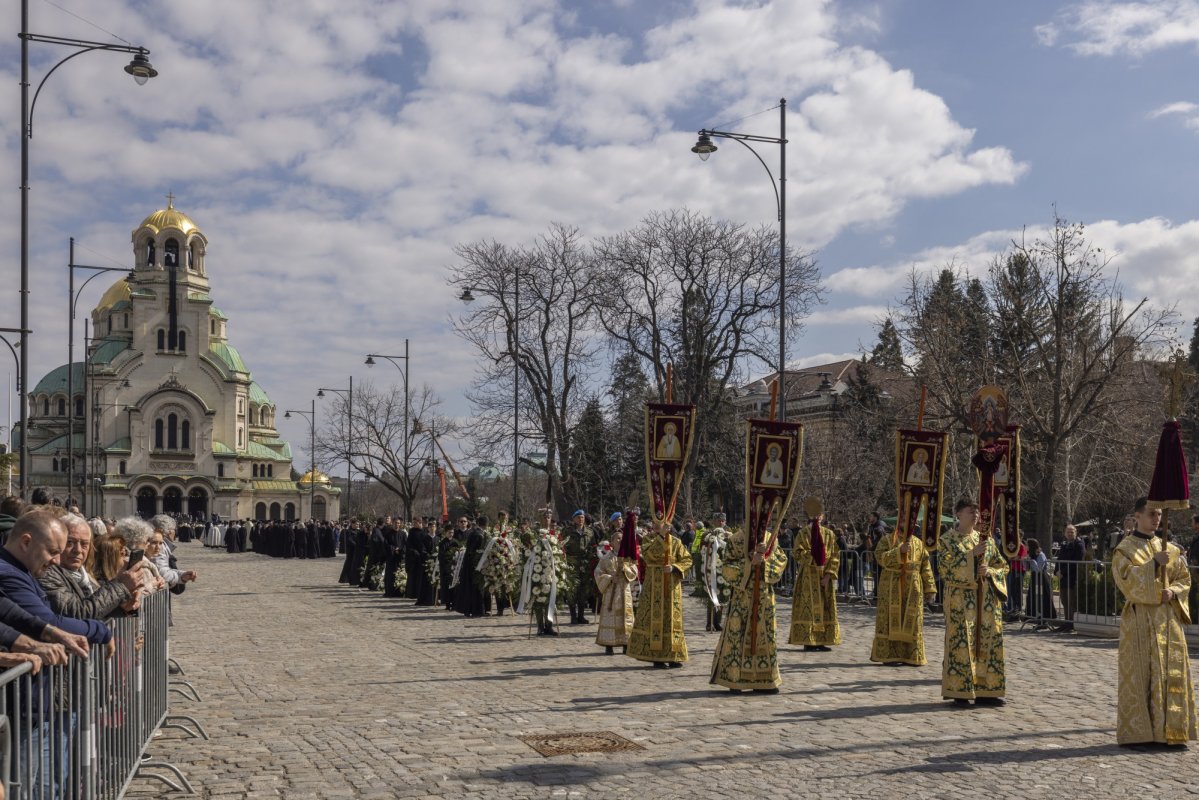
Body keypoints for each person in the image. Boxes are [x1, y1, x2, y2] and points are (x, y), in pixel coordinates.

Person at [1112, 498, 1198, 746]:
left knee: (1171, 674)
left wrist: (1174, 592)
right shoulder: (1125, 549)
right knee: (1145, 674)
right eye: (1151, 514)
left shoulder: (1171, 549)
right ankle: (1141, 734)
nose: (1156, 519)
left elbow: (1184, 579)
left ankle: (1173, 733)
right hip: (1141, 620)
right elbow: (1125, 580)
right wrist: (1152, 565)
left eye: (1159, 514)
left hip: (1168, 619)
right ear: (1137, 516)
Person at [938, 499, 1009, 706]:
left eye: (977, 513)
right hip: (961, 601)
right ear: (958, 514)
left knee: (988, 642)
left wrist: (991, 572)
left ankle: (988, 690)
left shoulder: (985, 540)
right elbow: (945, 569)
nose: (975, 516)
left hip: (986, 602)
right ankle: (960, 691)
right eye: (971, 512)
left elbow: (1002, 566)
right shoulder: (947, 540)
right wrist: (971, 556)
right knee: (962, 642)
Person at [710, 526, 788, 692]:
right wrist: (749, 563)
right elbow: (727, 567)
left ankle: (765, 678)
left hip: (764, 596)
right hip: (742, 597)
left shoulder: (770, 538)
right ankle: (735, 677)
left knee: (765, 635)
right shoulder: (736, 539)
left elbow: (781, 559)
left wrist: (765, 560)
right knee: (738, 634)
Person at [39, 514, 142, 620]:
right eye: (70, 542)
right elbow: (77, 613)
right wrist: (121, 586)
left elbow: (95, 607)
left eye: (84, 544)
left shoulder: (85, 573)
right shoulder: (47, 572)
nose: (78, 550)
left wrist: (123, 606)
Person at [627, 520, 692, 668]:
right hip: (654, 586)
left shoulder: (676, 541)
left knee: (671, 619)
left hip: (671, 586)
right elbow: (649, 556)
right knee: (655, 619)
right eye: (655, 523)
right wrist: (662, 537)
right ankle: (657, 656)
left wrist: (675, 567)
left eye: (661, 523)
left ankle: (673, 655)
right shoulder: (648, 539)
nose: (657, 526)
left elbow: (687, 559)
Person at [870, 527, 936, 666]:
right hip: (891, 586)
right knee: (891, 619)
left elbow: (926, 566)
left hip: (913, 587)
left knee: (912, 620)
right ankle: (890, 655)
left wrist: (930, 587)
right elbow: (880, 558)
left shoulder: (918, 543)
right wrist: (898, 552)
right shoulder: (887, 540)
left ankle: (911, 655)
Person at [788, 512, 840, 652]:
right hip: (808, 578)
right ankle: (808, 640)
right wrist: (812, 554)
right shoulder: (803, 533)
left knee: (824, 608)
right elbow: (796, 553)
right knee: (809, 608)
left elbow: (835, 555)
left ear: (822, 516)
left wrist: (828, 575)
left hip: (824, 577)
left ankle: (822, 640)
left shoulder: (829, 534)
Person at [594, 536, 638, 654]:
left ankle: (626, 643)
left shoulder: (628, 558)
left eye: (621, 538)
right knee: (611, 616)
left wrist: (625, 569)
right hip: (611, 591)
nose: (619, 540)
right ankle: (609, 644)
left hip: (624, 590)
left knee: (625, 616)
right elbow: (598, 572)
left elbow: (634, 571)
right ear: (612, 542)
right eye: (617, 538)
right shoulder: (606, 558)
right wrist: (609, 578)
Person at [563, 511, 596, 624]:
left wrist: (590, 558)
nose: (581, 519)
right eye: (578, 517)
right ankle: (573, 616)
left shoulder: (590, 532)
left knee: (584, 590)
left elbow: (593, 547)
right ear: (573, 519)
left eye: (582, 517)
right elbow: (562, 546)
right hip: (572, 563)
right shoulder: (567, 531)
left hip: (585, 564)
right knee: (572, 590)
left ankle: (581, 616)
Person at [698, 514, 728, 631]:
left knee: (722, 596)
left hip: (723, 569)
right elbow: (703, 548)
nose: (721, 522)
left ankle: (717, 622)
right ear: (714, 521)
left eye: (723, 521)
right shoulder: (707, 534)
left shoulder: (728, 534)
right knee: (711, 596)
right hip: (710, 569)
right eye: (718, 520)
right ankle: (709, 622)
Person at [1056, 523, 1085, 628]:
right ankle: (1066, 621)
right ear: (1065, 533)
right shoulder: (1064, 544)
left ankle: (1071, 623)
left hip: (1072, 577)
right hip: (1063, 578)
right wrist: (1057, 571)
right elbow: (1059, 559)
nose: (1070, 534)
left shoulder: (1079, 544)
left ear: (1075, 533)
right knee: (1064, 600)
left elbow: (1076, 561)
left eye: (1072, 532)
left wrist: (1063, 572)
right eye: (1068, 532)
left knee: (1071, 601)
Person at [1024, 538, 1056, 627]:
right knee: (1033, 597)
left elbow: (1039, 568)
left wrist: (1032, 561)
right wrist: (1026, 561)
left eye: (1027, 545)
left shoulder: (1041, 554)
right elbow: (1027, 569)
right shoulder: (1031, 554)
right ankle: (1035, 616)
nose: (1026, 547)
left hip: (1041, 577)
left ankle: (1045, 618)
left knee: (1043, 597)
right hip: (1034, 577)